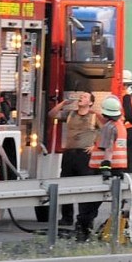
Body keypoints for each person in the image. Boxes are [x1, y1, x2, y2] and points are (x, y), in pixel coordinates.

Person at [77, 95, 128, 242]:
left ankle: (83, 232)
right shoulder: (120, 125)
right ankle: (113, 233)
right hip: (119, 169)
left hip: (102, 170)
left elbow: (109, 149)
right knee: (116, 203)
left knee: (88, 204)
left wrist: (105, 167)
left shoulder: (108, 128)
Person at [48, 91, 100, 225]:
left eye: (85, 97)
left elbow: (107, 131)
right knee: (66, 185)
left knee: (85, 186)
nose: (81, 98)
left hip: (84, 155)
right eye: (81, 96)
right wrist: (63, 103)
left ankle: (84, 219)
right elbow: (51, 115)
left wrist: (96, 145)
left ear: (91, 102)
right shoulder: (70, 114)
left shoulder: (94, 116)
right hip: (70, 154)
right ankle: (67, 217)